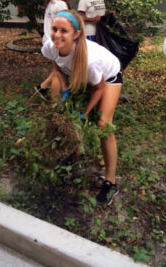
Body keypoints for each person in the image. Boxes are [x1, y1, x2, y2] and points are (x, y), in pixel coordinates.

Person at [41, 10, 122, 206]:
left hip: (108, 78)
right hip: (81, 76)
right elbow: (57, 69)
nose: (57, 35)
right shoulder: (50, 47)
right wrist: (67, 90)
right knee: (69, 115)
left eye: (64, 31)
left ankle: (110, 182)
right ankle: (77, 152)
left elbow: (99, 88)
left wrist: (84, 114)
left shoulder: (90, 61)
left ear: (76, 34)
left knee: (103, 124)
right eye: (54, 29)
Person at [35, 0, 78, 100]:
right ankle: (55, 101)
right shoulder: (61, 4)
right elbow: (66, 25)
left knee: (57, 69)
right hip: (56, 42)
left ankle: (42, 88)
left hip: (48, 40)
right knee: (59, 71)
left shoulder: (51, 0)